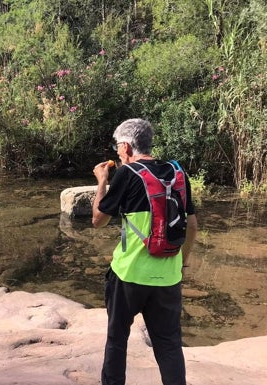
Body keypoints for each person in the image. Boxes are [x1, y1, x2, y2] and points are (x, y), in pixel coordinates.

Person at [91, 118, 198, 385]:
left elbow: (98, 220)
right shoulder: (177, 172)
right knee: (170, 346)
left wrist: (102, 181)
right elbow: (192, 225)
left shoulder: (127, 174)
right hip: (168, 277)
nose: (117, 152)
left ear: (126, 146)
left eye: (118, 146)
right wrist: (181, 264)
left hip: (128, 276)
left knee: (117, 341)